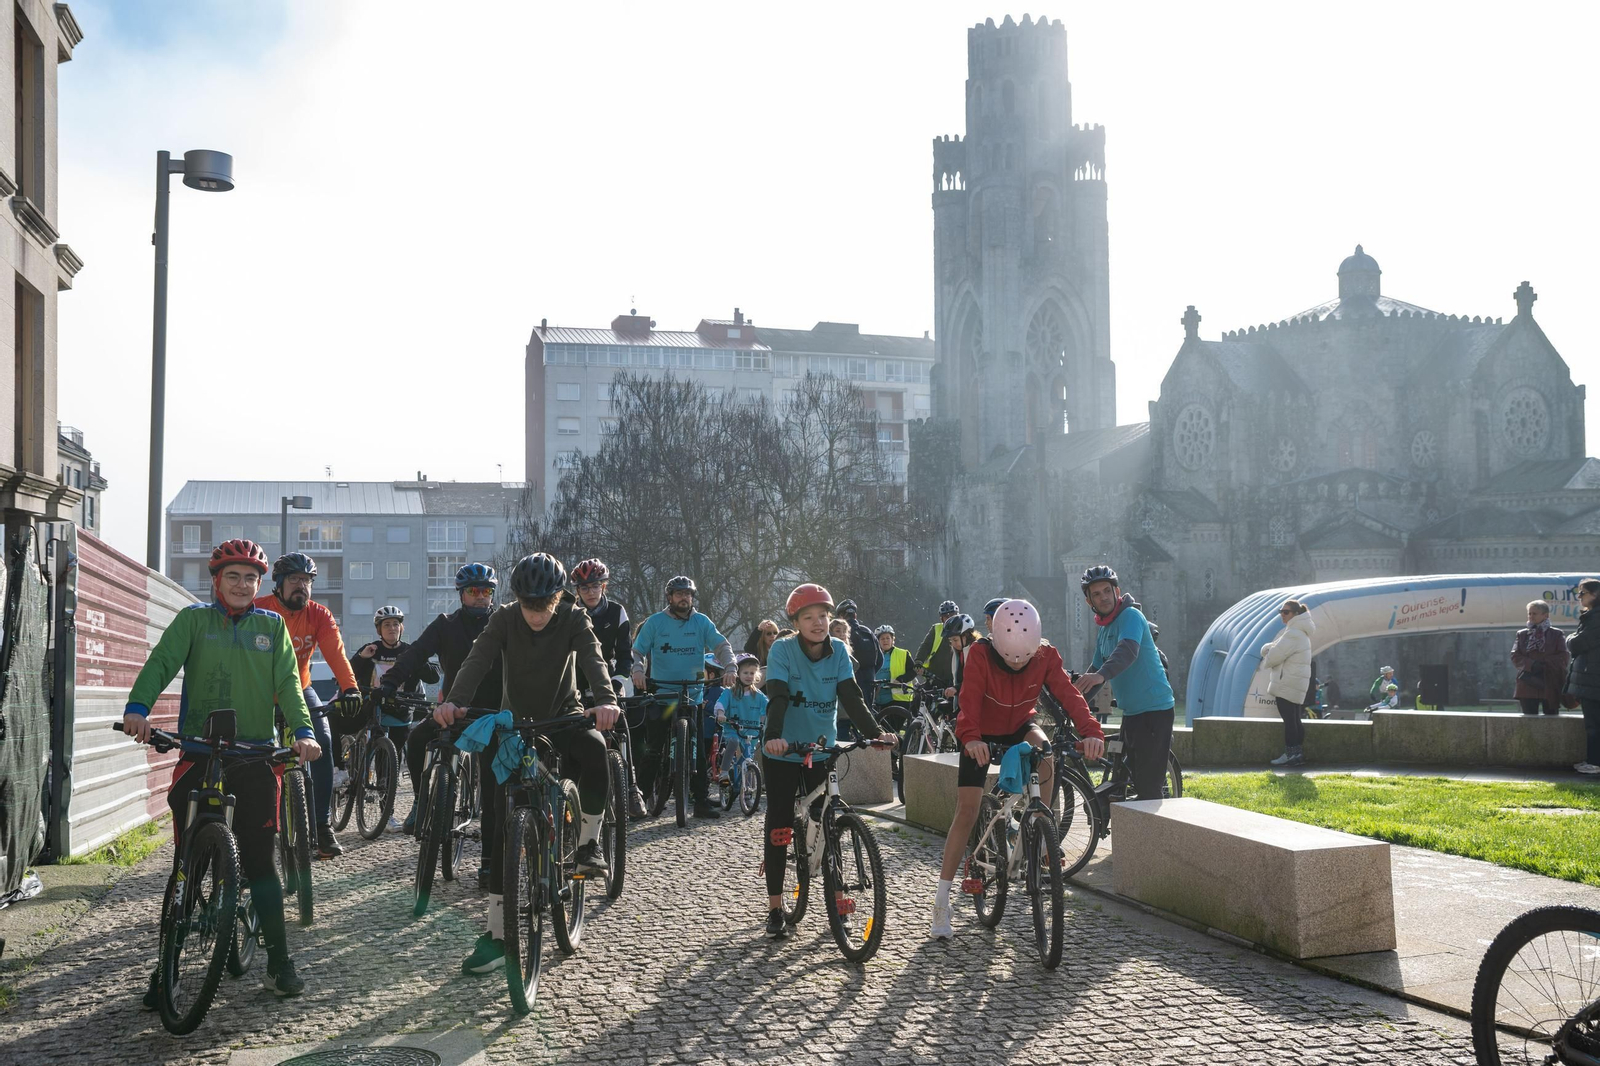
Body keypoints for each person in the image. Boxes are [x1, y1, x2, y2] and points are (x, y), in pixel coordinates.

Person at [123, 539, 322, 1000]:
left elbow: (289, 685)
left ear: (259, 584)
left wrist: (303, 732)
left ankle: (278, 962)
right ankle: (167, 968)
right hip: (199, 750)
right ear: (217, 580)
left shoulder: (271, 627)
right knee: (185, 868)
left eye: (250, 578)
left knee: (260, 862)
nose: (242, 584)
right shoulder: (194, 620)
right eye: (233, 576)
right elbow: (161, 663)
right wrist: (138, 707)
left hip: (254, 755)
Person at [432, 552, 620, 974]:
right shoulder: (503, 619)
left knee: (594, 750)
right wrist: (456, 702)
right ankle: (497, 934)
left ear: (559, 596)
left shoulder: (573, 619)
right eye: (529, 605)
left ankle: (588, 844)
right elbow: (476, 661)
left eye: (545, 604)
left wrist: (605, 700)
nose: (536, 614)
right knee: (499, 822)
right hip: (514, 725)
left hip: (564, 717)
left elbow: (592, 659)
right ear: (518, 599)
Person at [931, 599, 1105, 938]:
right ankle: (941, 899)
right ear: (996, 641)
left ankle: (1040, 823)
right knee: (966, 810)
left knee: (1047, 751)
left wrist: (1092, 733)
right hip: (979, 731)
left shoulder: (1046, 655)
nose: (1016, 664)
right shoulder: (980, 654)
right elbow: (969, 701)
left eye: (1023, 660)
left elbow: (1070, 696)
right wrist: (970, 739)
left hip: (1020, 724)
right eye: (1010, 658)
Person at [760, 584, 893, 938]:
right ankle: (775, 908)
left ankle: (839, 902)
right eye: (809, 618)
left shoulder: (838, 653)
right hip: (784, 749)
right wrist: (774, 736)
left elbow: (852, 697)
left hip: (821, 747)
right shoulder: (783, 651)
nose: (818, 623)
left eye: (823, 616)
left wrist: (876, 734)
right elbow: (777, 696)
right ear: (797, 622)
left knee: (830, 824)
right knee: (779, 827)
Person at [385, 562, 501, 883]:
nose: (480, 597)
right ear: (461, 594)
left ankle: (490, 863)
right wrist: (389, 683)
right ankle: (423, 800)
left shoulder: (503, 622)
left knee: (493, 790)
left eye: (486, 591)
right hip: (452, 711)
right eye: (473, 591)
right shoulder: (445, 625)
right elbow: (416, 654)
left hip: (491, 717)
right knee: (418, 740)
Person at [255, 552, 361, 859]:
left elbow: (337, 655)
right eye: (294, 580)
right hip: (259, 695)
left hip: (300, 690)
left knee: (324, 741)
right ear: (277, 584)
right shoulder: (258, 609)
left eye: (307, 580)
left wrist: (350, 688)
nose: (302, 586)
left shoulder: (319, 615)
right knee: (252, 754)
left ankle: (322, 826)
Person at [630, 575, 735, 820]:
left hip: (693, 695)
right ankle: (641, 798)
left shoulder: (701, 622)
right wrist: (637, 670)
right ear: (670, 597)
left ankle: (699, 801)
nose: (684, 598)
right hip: (663, 695)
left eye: (688, 594)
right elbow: (638, 651)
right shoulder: (655, 623)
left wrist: (730, 667)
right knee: (653, 749)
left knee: (697, 750)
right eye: (679, 594)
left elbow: (721, 645)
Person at [1074, 565, 1175, 801]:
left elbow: (1127, 651)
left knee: (1148, 789)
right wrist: (1073, 702)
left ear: (1117, 592)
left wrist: (1100, 675)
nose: (1103, 597)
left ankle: (1159, 833)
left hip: (1155, 710)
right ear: (1090, 602)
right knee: (1123, 777)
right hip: (1131, 712)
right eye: (1096, 594)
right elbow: (1095, 672)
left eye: (1107, 591)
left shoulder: (1131, 616)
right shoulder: (1104, 630)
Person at [349, 605, 439, 833]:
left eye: (396, 624)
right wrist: (362, 657)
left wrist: (419, 664)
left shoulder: (410, 651)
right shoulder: (371, 649)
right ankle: (378, 804)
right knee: (381, 757)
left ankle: (387, 804)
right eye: (387, 625)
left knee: (393, 760)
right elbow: (349, 671)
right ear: (379, 630)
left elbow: (432, 676)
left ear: (401, 628)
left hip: (401, 712)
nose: (392, 628)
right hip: (376, 709)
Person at [571, 557, 647, 818]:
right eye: (584, 588)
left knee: (622, 724)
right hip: (577, 683)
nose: (590, 592)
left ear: (604, 586)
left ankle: (632, 787)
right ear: (577, 591)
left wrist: (617, 683)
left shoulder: (617, 612)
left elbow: (625, 655)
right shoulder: (571, 612)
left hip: (609, 678)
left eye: (595, 586)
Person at [1260, 599, 1315, 767]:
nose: (1282, 615)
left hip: (1287, 683)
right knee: (1295, 719)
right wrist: (1270, 649)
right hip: (1295, 683)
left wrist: (1268, 652)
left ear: (1295, 614)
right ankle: (1296, 754)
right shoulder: (1299, 632)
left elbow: (1274, 656)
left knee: (1290, 721)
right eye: (1280, 612)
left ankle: (1291, 754)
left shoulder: (1293, 633)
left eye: (1286, 612)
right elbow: (1275, 649)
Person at [1563, 578, 1600, 775]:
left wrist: (1569, 638)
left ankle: (1595, 762)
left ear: (1595, 594)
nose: (1579, 597)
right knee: (1592, 722)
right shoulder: (1592, 616)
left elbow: (1577, 644)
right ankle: (1592, 760)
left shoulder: (1596, 618)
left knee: (1594, 724)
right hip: (1592, 679)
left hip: (1594, 680)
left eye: (1582, 593)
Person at [715, 653, 767, 783]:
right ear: (738, 674)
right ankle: (724, 771)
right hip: (733, 728)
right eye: (745, 673)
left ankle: (748, 789)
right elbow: (720, 703)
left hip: (751, 730)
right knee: (733, 742)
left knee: (748, 757)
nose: (749, 676)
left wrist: (765, 721)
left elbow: (768, 708)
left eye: (752, 673)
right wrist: (721, 713)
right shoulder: (730, 692)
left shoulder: (759, 696)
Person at [1512, 600, 1569, 717]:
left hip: (1549, 681)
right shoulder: (1522, 634)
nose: (1531, 616)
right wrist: (1531, 665)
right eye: (1529, 613)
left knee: (1552, 719)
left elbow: (1564, 656)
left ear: (1545, 615)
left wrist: (1544, 664)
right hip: (1527, 682)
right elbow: (1515, 655)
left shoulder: (1556, 634)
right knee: (1528, 720)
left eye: (1535, 613)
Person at [836, 599, 884, 706]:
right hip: (869, 679)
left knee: (848, 716)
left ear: (841, 617)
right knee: (867, 713)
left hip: (849, 680)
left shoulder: (840, 634)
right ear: (855, 616)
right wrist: (870, 673)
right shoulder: (867, 632)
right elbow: (880, 659)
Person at [873, 625, 917, 734]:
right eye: (882, 638)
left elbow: (913, 671)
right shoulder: (874, 656)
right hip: (879, 700)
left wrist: (900, 679)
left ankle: (897, 748)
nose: (885, 641)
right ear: (877, 641)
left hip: (899, 699)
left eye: (888, 638)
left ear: (893, 639)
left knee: (891, 730)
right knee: (881, 731)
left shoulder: (903, 653)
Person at [914, 600, 961, 686]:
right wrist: (919, 661)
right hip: (934, 675)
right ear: (941, 618)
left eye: (951, 615)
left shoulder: (962, 630)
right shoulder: (936, 629)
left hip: (954, 676)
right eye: (946, 616)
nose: (949, 618)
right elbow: (926, 646)